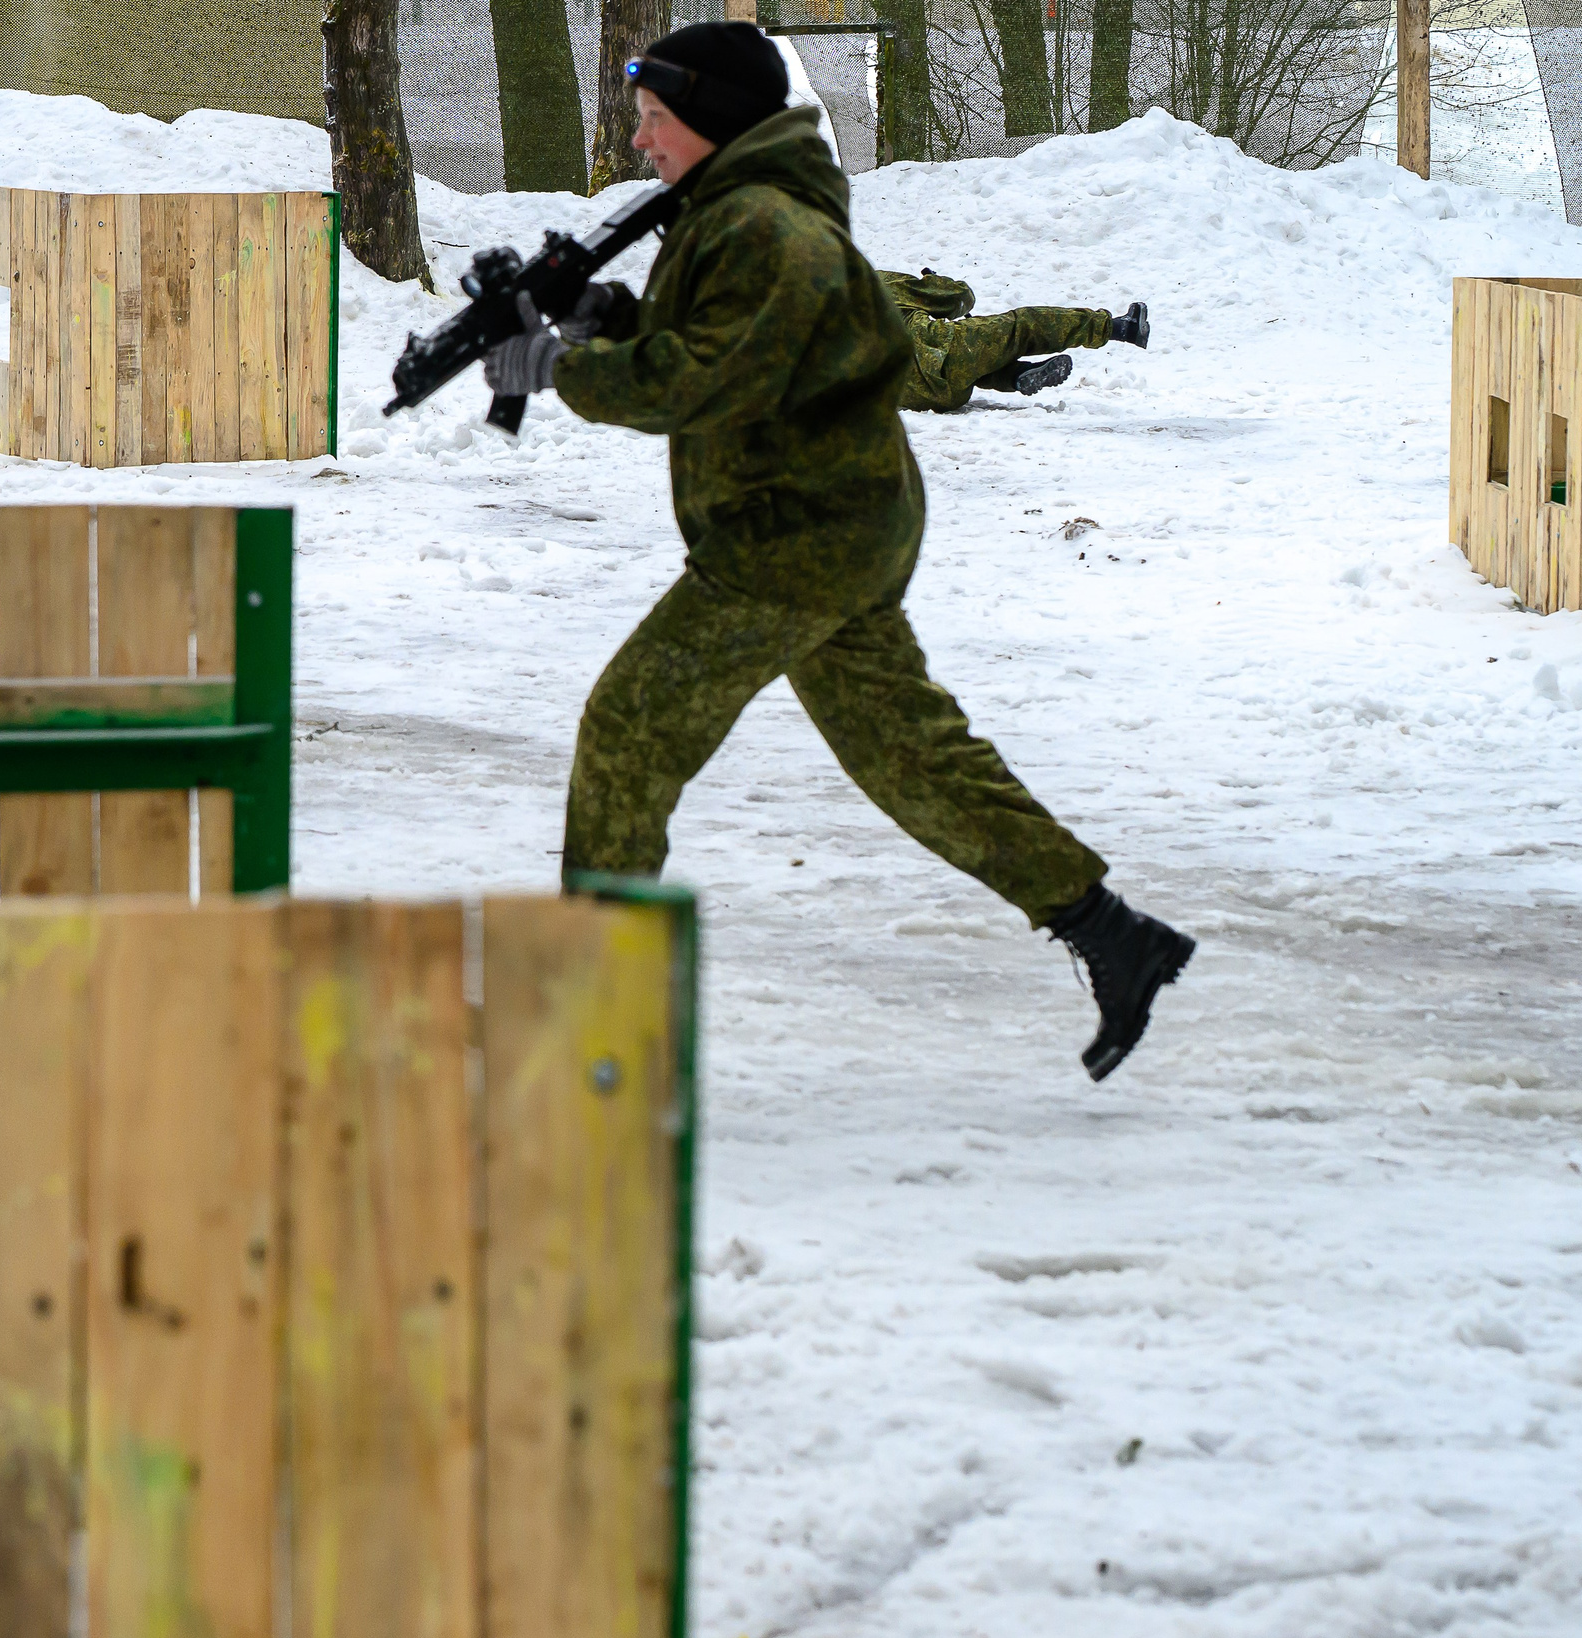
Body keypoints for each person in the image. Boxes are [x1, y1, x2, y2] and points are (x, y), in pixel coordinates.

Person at [478, 20, 1192, 1080]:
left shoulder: (766, 227)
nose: (639, 143)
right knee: (905, 750)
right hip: (830, 521)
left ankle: (596, 1023)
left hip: (795, 535)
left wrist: (560, 369)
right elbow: (710, 336)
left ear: (712, 124)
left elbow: (705, 377)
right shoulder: (732, 215)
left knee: (629, 730)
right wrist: (604, 314)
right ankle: (1109, 932)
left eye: (653, 121)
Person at [887, 271, 1153, 411]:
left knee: (971, 364)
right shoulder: (877, 282)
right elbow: (959, 298)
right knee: (1024, 326)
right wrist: (934, 281)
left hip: (919, 397)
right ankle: (1121, 328)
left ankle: (1019, 376)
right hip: (941, 354)